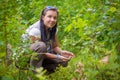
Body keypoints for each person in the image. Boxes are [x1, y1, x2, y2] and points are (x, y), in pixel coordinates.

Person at [26, 6, 75, 73]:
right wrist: (57, 56)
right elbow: (40, 52)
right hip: (27, 56)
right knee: (41, 46)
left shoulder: (52, 28)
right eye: (49, 16)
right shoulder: (36, 30)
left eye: (55, 18)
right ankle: (34, 73)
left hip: (42, 55)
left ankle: (42, 74)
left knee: (64, 61)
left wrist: (61, 52)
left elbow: (54, 47)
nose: (52, 20)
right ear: (43, 17)